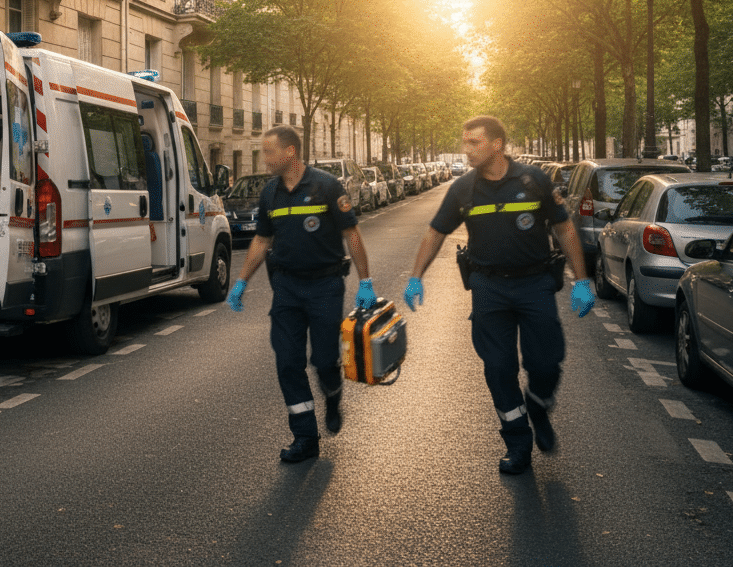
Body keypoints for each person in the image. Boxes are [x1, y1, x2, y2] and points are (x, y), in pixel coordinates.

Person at [403, 116, 594, 475]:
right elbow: (434, 233)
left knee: (545, 363)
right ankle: (518, 441)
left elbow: (564, 228)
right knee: (498, 367)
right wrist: (416, 276)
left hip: (535, 283)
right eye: (465, 142)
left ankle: (538, 405)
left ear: (497, 144)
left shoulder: (534, 181)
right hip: (488, 287)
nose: (467, 149)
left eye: (474, 142)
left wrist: (581, 279)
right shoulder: (463, 189)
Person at [226, 126, 379, 463]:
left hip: (325, 286)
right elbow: (262, 241)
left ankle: (333, 394)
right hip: (286, 288)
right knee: (287, 362)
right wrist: (241, 281)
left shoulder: (327, 186)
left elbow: (351, 234)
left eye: (269, 152)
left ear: (290, 152)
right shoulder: (270, 194)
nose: (265, 159)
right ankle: (305, 436)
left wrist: (365, 281)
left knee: (324, 361)